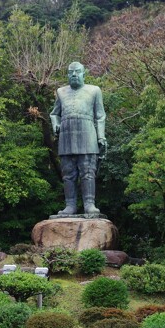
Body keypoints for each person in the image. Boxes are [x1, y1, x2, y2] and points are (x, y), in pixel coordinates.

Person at [50, 62, 106, 216]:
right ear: (67, 75)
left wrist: (101, 137)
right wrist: (56, 124)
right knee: (68, 173)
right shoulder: (61, 92)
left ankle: (89, 204)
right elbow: (54, 114)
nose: (74, 75)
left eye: (77, 72)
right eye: (71, 72)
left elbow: (100, 116)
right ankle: (70, 205)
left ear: (83, 74)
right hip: (66, 136)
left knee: (88, 171)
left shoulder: (94, 90)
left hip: (87, 135)